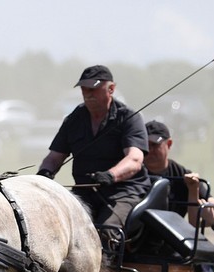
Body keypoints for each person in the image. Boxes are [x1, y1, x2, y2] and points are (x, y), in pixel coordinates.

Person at [37, 65, 148, 228]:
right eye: (84, 89)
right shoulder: (74, 119)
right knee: (58, 226)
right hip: (84, 192)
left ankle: (108, 253)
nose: (88, 94)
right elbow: (54, 157)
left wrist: (111, 175)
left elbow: (135, 159)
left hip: (123, 192)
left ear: (111, 89)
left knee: (107, 228)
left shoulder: (129, 118)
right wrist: (43, 175)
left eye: (93, 89)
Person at [143, 119, 206, 217]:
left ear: (169, 144)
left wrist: (195, 188)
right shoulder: (133, 173)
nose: (150, 150)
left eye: (155, 145)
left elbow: (211, 203)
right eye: (146, 145)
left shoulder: (182, 175)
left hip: (171, 230)